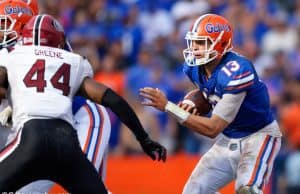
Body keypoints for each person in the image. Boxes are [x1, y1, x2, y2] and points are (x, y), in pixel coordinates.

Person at [0, 14, 166, 193]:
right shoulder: (74, 61)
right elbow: (113, 100)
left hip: (30, 138)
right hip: (67, 144)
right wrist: (144, 138)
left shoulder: (12, 55)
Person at [140, 13, 281, 194]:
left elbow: (213, 128)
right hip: (230, 137)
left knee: (248, 190)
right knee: (193, 191)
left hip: (258, 136)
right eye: (193, 42)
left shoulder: (237, 70)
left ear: (221, 43)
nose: (195, 48)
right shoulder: (194, 68)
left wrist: (169, 107)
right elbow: (207, 91)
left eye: (202, 43)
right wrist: (193, 100)